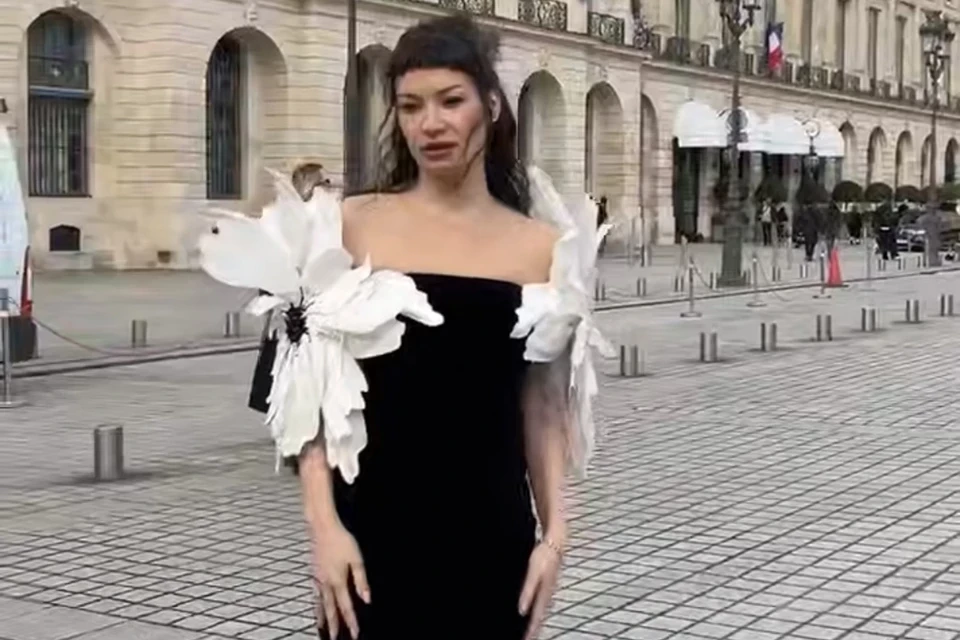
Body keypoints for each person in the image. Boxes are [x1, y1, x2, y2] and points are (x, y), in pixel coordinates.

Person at [240, 16, 603, 640]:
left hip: (493, 540)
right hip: (369, 545)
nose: (430, 123)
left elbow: (543, 406)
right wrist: (323, 528)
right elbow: (308, 399)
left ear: (491, 107)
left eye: (450, 101)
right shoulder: (347, 225)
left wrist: (556, 536)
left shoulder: (543, 248)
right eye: (410, 106)